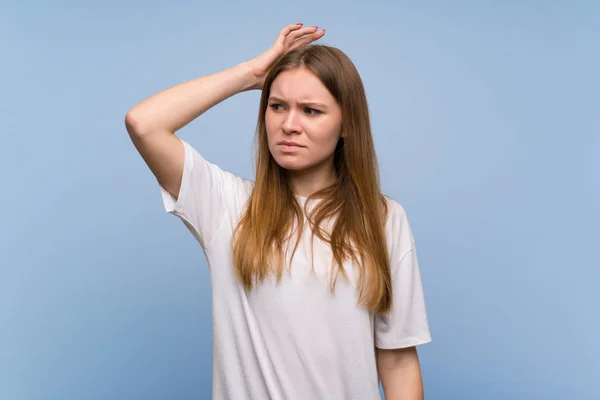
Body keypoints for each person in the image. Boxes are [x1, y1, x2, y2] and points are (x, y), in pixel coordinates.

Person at [125, 23, 432, 400]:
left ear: (347, 124)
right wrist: (250, 75)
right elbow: (145, 123)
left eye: (311, 111)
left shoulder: (384, 219)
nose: (289, 125)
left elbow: (398, 361)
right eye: (277, 106)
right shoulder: (228, 207)